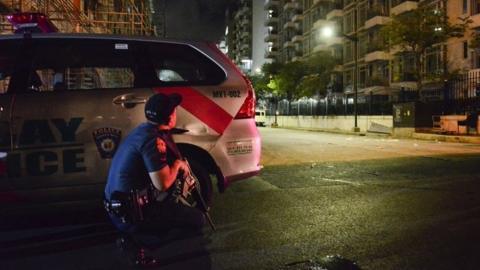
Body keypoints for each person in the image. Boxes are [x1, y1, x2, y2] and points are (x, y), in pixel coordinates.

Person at [104, 93, 206, 235]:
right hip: (131, 216)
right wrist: (177, 165)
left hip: (117, 207)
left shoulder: (142, 131)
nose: (176, 113)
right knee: (198, 219)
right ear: (170, 118)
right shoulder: (153, 141)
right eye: (174, 110)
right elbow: (162, 183)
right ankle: (153, 248)